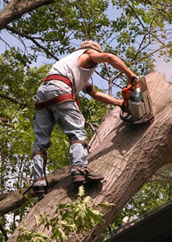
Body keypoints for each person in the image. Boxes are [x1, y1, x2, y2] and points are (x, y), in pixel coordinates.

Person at [31, 40, 137, 196]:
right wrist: (131, 75)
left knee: (40, 143)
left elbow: (96, 94)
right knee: (77, 134)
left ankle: (38, 183)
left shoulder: (72, 67)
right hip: (60, 88)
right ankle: (79, 169)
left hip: (43, 93)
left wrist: (120, 103)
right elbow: (108, 57)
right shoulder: (88, 54)